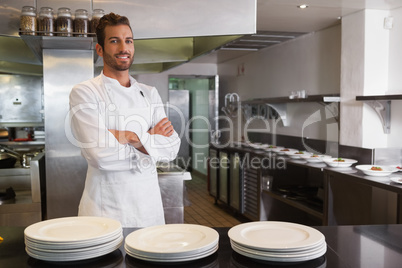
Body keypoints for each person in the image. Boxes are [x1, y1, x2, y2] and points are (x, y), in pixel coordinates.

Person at [69, 12, 181, 227]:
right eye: (114, 41)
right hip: (105, 211)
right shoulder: (85, 92)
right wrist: (148, 141)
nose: (123, 48)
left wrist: (129, 138)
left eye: (128, 41)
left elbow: (171, 149)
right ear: (100, 49)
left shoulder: (149, 93)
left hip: (149, 210)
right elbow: (100, 156)